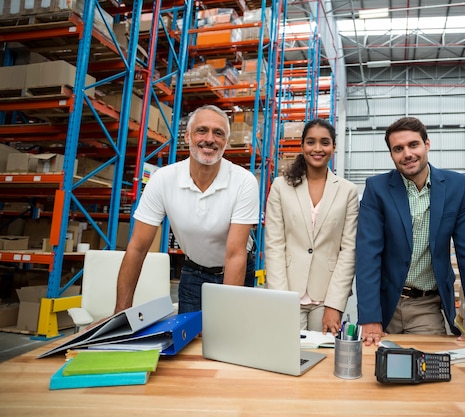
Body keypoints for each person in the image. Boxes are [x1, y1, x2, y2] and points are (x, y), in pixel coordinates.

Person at [355, 116, 465, 346]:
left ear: (427, 144)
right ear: (391, 155)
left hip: (426, 305)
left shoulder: (458, 187)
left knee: (431, 370)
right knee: (372, 371)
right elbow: (368, 255)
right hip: (385, 303)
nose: (407, 154)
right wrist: (370, 317)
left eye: (413, 145)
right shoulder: (377, 189)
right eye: (398, 149)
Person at [114, 104, 260, 314]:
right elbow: (137, 247)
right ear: (188, 137)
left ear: (226, 142)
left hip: (236, 271)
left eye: (218, 133)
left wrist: (227, 320)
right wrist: (120, 313)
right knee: (189, 342)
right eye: (202, 130)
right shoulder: (163, 180)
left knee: (230, 339)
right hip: (193, 273)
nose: (209, 139)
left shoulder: (243, 181)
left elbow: (236, 254)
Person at [264, 119, 359, 335]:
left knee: (323, 357)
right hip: (287, 290)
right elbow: (274, 244)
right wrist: (279, 297)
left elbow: (348, 251)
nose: (317, 149)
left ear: (334, 147)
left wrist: (335, 304)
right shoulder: (281, 187)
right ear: (302, 146)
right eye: (311, 142)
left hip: (326, 295)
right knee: (285, 354)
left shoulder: (347, 191)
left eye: (325, 142)